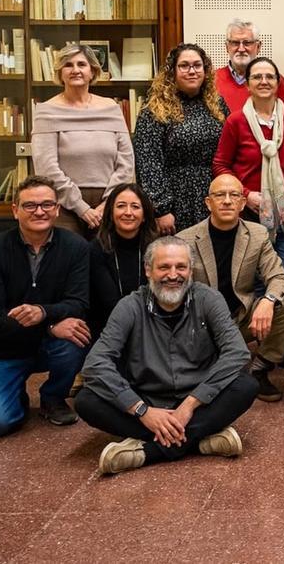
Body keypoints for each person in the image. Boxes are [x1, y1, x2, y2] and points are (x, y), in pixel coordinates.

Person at [74, 236, 258, 475]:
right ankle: (200, 440)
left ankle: (146, 452)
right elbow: (95, 364)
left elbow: (237, 353)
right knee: (86, 401)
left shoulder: (209, 299)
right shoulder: (129, 306)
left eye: (181, 267)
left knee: (246, 386)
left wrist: (190, 404)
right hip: (146, 400)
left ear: (191, 270)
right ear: (148, 270)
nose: (173, 275)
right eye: (164, 267)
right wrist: (142, 411)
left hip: (200, 401)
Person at [0, 176, 90, 437]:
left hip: (49, 347)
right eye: (30, 205)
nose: (39, 211)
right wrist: (49, 327)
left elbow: (78, 303)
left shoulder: (77, 248)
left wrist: (43, 313)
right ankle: (15, 395)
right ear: (15, 210)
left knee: (75, 333)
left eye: (47, 204)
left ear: (57, 209)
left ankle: (53, 397)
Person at [179, 174, 284, 403]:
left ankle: (260, 368)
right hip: (202, 327)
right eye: (219, 195)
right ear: (208, 202)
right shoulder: (185, 241)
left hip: (241, 319)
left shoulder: (257, 234)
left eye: (234, 195)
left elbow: (279, 277)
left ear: (243, 203)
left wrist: (269, 300)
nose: (227, 201)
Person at [31, 44, 135, 237]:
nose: (76, 70)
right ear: (60, 73)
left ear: (92, 71)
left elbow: (126, 162)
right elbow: (46, 167)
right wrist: (81, 207)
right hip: (64, 203)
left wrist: (108, 203)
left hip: (109, 202)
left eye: (82, 64)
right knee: (70, 261)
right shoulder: (46, 111)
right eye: (68, 65)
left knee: (107, 262)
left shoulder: (111, 108)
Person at [212, 57, 284, 270]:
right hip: (250, 211)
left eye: (269, 76)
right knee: (252, 272)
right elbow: (220, 165)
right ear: (247, 84)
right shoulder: (236, 121)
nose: (264, 81)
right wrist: (245, 194)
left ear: (278, 82)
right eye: (257, 77)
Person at [133, 43, 230, 234]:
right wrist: (161, 209)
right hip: (174, 199)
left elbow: (229, 150)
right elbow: (148, 162)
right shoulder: (155, 107)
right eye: (184, 66)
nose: (192, 71)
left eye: (197, 65)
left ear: (205, 70)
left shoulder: (217, 104)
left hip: (212, 196)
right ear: (172, 72)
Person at [88, 183, 159, 343]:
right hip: (107, 330)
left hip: (152, 328)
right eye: (121, 206)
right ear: (111, 212)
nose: (128, 213)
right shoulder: (95, 249)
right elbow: (107, 301)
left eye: (135, 207)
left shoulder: (158, 249)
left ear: (145, 215)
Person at [214, 18, 284, 114]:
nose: (241, 49)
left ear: (258, 47)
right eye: (235, 43)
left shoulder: (273, 80)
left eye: (247, 43)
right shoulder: (212, 80)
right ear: (227, 47)